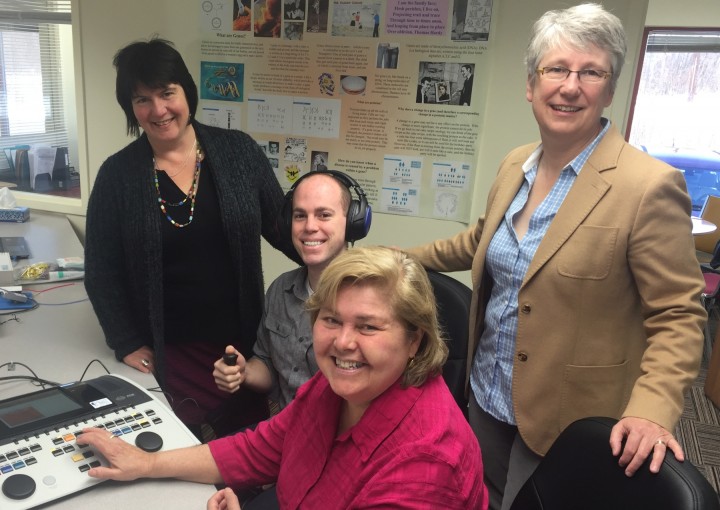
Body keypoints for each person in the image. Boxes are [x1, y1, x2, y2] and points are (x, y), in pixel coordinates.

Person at [405, 4, 706, 510]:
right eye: (557, 69)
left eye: (591, 72)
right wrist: (396, 257)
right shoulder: (514, 165)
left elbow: (678, 314)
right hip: (487, 394)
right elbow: (480, 242)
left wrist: (652, 410)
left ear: (609, 90)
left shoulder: (648, 186)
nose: (570, 86)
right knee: (476, 498)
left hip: (566, 417)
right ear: (531, 84)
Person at [77, 246, 489, 510]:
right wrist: (147, 463)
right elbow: (259, 449)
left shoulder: (424, 465)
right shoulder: (334, 388)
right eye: (331, 320)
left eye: (368, 326)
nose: (343, 342)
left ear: (415, 340)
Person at [84, 38, 300, 441]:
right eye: (142, 99)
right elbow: (100, 268)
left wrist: (345, 265)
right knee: (178, 446)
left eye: (167, 93)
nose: (158, 110)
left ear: (187, 91)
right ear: (130, 107)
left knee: (246, 446)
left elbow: (284, 229)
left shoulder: (239, 152)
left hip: (238, 343)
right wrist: (125, 339)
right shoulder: (117, 175)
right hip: (168, 349)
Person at [213, 170, 371, 412]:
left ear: (353, 221)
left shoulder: (373, 297)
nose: (310, 226)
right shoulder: (280, 290)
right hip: (286, 425)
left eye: (324, 215)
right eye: (300, 216)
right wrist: (244, 372)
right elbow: (267, 363)